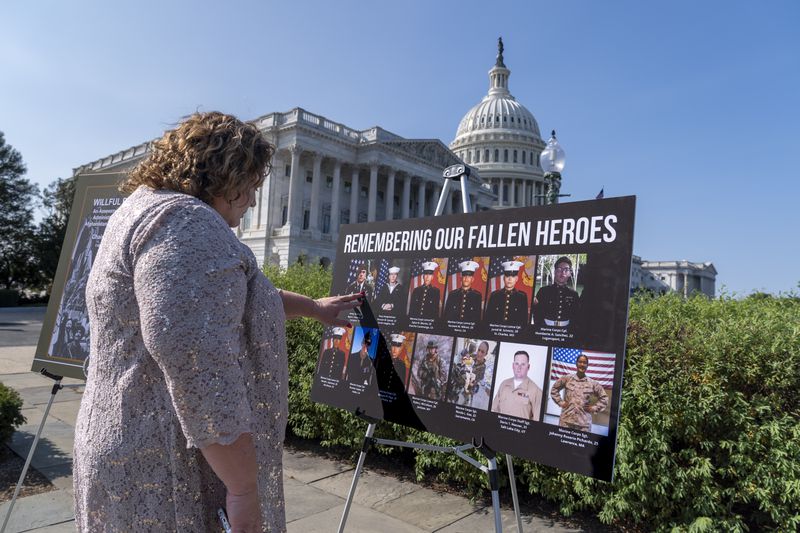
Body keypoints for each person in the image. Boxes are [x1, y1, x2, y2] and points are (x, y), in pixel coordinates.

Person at [73, 112, 361, 532]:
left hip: (127, 437)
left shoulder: (141, 209)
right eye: (251, 188)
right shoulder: (185, 222)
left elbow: (222, 303)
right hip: (164, 461)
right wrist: (244, 488)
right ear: (228, 177)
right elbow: (194, 354)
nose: (253, 201)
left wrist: (315, 307)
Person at [549, 353, 608, 432]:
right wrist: (560, 402)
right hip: (566, 421)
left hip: (583, 425)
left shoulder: (592, 383)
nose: (582, 364)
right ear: (576, 363)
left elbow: (604, 398)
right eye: (580, 362)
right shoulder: (567, 379)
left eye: (584, 363)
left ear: (587, 365)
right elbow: (554, 389)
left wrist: (594, 408)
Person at [491, 351, 542, 421]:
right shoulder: (504, 384)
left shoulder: (536, 391)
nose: (519, 367)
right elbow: (494, 409)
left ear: (528, 367)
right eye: (517, 364)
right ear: (513, 366)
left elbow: (537, 421)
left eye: (523, 364)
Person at [533, 256, 579, 328]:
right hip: (545, 330)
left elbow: (576, 316)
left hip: (566, 330)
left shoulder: (573, 294)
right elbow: (536, 313)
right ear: (554, 271)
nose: (562, 272)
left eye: (566, 270)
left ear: (570, 273)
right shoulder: (543, 291)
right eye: (559, 269)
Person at [485, 260, 529, 326]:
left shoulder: (522, 297)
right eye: (507, 276)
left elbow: (524, 321)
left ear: (516, 279)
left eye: (513, 276)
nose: (510, 279)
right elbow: (488, 319)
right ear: (504, 278)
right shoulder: (494, 295)